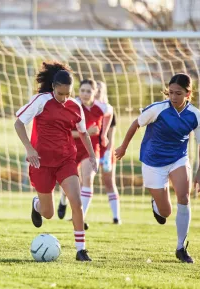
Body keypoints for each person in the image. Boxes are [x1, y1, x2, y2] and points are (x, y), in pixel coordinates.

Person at [115, 73, 200, 263]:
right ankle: (157, 204)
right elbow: (135, 124)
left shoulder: (196, 116)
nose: (173, 97)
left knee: (184, 196)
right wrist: (123, 147)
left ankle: (181, 247)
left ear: (188, 94)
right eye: (171, 92)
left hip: (178, 159)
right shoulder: (158, 109)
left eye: (178, 93)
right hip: (152, 162)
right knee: (165, 212)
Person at [14, 61, 97, 261]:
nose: (64, 98)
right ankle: (36, 206)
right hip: (41, 162)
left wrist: (92, 155)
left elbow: (84, 133)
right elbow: (18, 124)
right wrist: (29, 148)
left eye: (67, 94)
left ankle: (81, 250)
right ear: (53, 88)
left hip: (66, 160)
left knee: (76, 202)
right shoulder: (41, 101)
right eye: (60, 93)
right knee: (48, 213)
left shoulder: (75, 106)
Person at [57, 79, 113, 231]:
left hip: (90, 148)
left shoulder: (102, 107)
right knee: (68, 182)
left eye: (89, 91)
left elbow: (110, 112)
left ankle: (81, 216)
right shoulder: (71, 105)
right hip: (71, 148)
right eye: (82, 90)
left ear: (95, 93)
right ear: (78, 91)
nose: (85, 94)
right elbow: (65, 132)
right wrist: (86, 132)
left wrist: (104, 134)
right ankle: (63, 200)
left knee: (88, 179)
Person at [96, 81, 121, 224]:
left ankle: (116, 216)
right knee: (82, 181)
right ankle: (79, 213)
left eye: (100, 90)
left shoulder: (109, 110)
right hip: (90, 150)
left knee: (109, 182)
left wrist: (107, 153)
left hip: (105, 151)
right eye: (96, 89)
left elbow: (111, 137)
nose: (97, 92)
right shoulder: (86, 109)